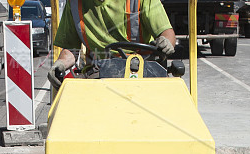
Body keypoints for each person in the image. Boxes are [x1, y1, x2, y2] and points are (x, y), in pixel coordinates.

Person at [48, 0, 176, 88]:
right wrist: (60, 64)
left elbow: (166, 32)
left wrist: (166, 42)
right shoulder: (75, 3)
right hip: (99, 73)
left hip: (143, 69)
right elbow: (71, 48)